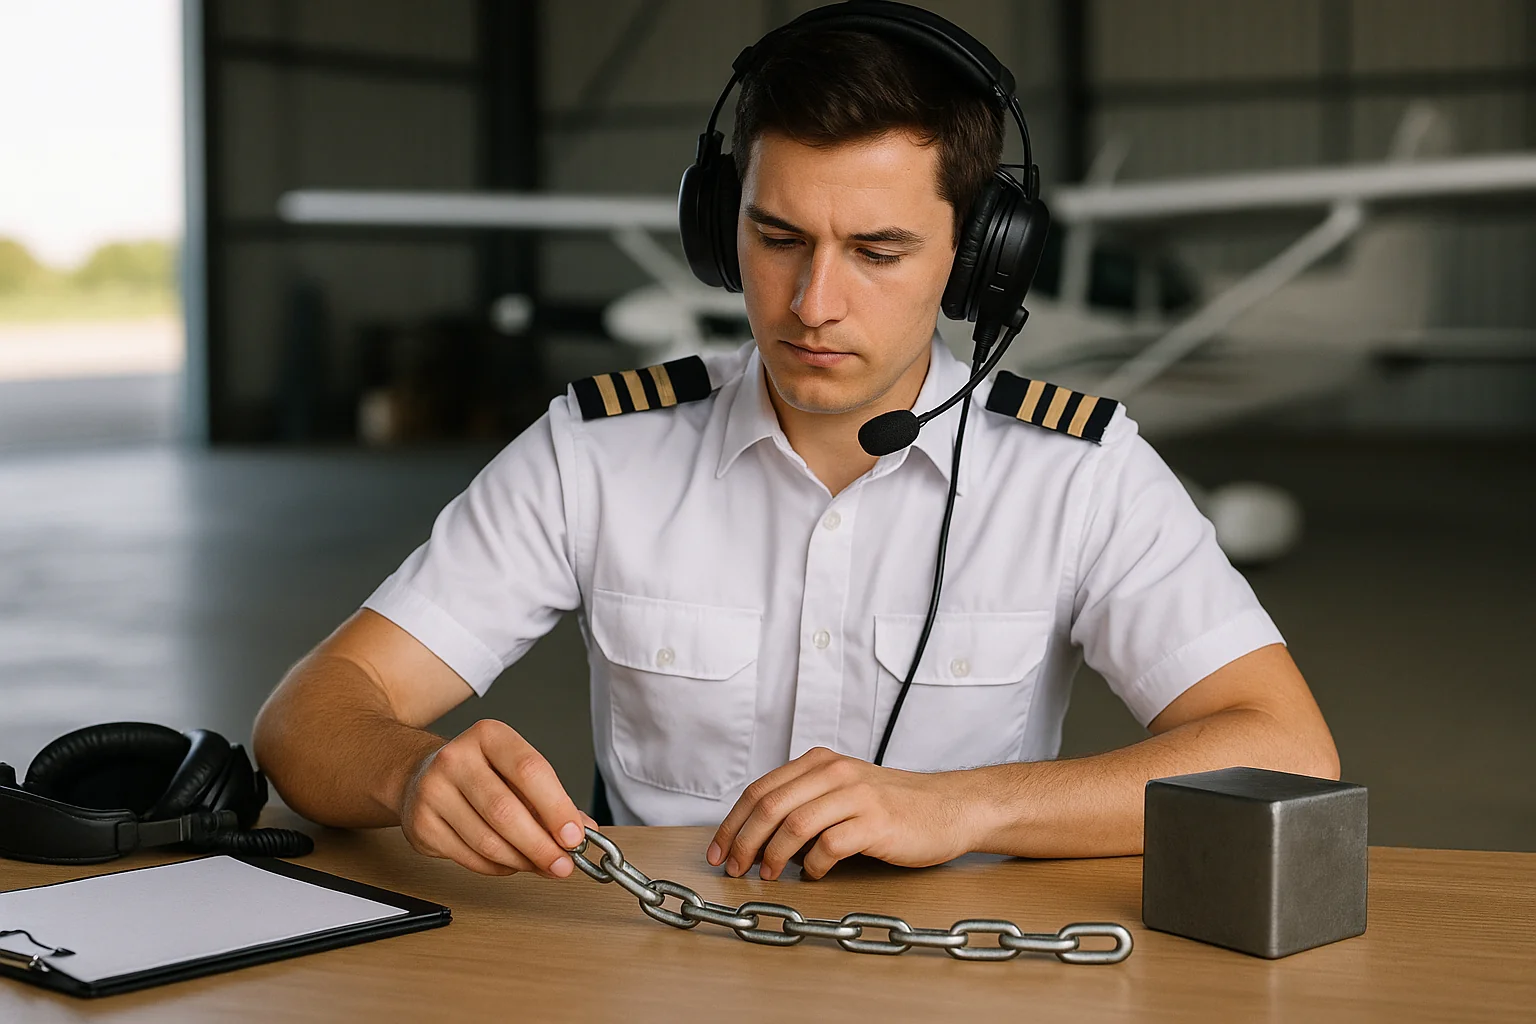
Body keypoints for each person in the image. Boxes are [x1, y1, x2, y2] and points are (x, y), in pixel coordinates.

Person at [253, 6, 1338, 886]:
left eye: (878, 250)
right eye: (778, 238)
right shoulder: (595, 450)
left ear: (976, 262)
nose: (815, 302)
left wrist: (957, 804)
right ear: (721, 230)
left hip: (959, 979)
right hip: (663, 971)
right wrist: (411, 773)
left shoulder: (1077, 472)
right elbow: (307, 716)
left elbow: (1286, 750)